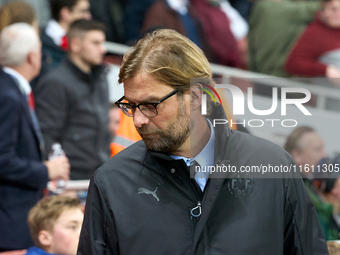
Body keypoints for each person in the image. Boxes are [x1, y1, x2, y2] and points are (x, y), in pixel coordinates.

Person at [78, 29, 328, 254]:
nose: (138, 120)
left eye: (150, 105)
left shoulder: (273, 167)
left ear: (196, 97)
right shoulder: (111, 183)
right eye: (130, 106)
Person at [0, 23, 70, 252]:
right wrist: (46, 170)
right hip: (10, 223)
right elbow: (2, 160)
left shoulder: (11, 89)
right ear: (32, 56)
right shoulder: (8, 96)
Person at [35, 19, 110, 180]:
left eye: (102, 42)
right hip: (72, 180)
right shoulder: (55, 83)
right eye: (96, 43)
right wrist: (60, 178)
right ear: (75, 44)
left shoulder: (100, 79)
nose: (103, 49)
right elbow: (47, 134)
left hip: (100, 175)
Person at [35, 0, 91, 87]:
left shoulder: (85, 44)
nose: (88, 17)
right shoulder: (38, 39)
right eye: (83, 11)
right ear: (66, 13)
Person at [285, 0, 340, 78]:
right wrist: (326, 69)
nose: (327, 13)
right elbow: (293, 64)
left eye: (334, 9)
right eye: (324, 9)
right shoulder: (316, 32)